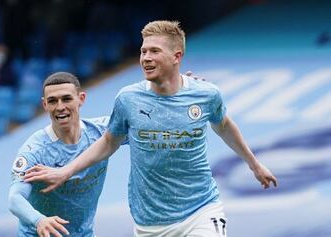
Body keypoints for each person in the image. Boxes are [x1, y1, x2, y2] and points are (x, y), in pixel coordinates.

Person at [24, 20, 278, 237]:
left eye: (154, 51)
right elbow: (109, 141)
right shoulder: (128, 99)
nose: (145, 58)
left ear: (176, 56)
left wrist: (255, 165)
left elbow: (223, 124)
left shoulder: (206, 95)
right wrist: (66, 171)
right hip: (150, 221)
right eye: (143, 51)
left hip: (200, 208)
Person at [8, 72, 121, 237]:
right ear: (44, 104)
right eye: (53, 101)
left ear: (81, 99)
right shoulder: (34, 151)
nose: (60, 107)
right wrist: (39, 220)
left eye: (67, 99)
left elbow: (142, 130)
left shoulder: (103, 132)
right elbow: (15, 198)